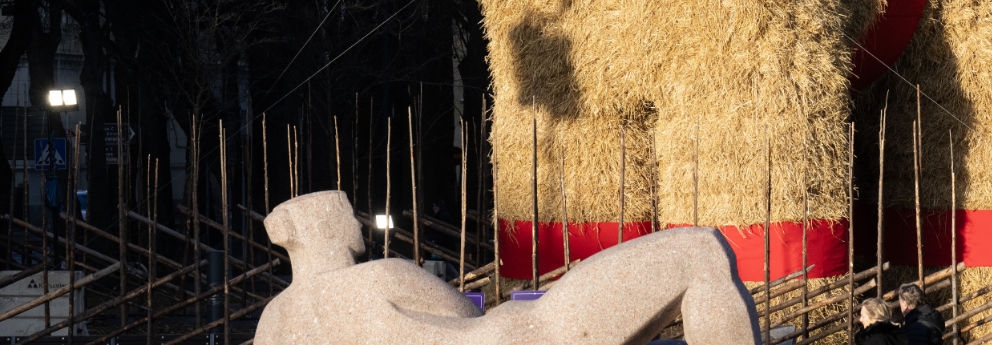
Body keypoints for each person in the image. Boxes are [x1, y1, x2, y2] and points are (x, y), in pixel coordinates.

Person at [255, 190, 759, 345]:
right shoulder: (376, 277)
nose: (357, 221)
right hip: (522, 338)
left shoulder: (273, 322)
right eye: (347, 213)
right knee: (700, 250)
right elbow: (462, 311)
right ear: (329, 225)